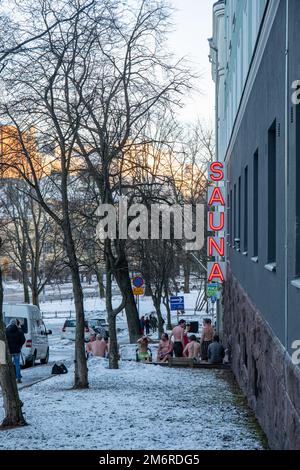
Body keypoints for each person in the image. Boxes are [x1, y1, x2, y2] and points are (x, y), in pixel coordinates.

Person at [5, 319, 26, 384]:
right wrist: (20, 345)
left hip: (9, 351)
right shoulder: (19, 331)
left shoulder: (6, 331)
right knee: (17, 364)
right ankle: (18, 378)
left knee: (8, 364)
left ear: (10, 323)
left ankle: (9, 378)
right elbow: (23, 340)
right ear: (16, 323)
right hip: (17, 350)